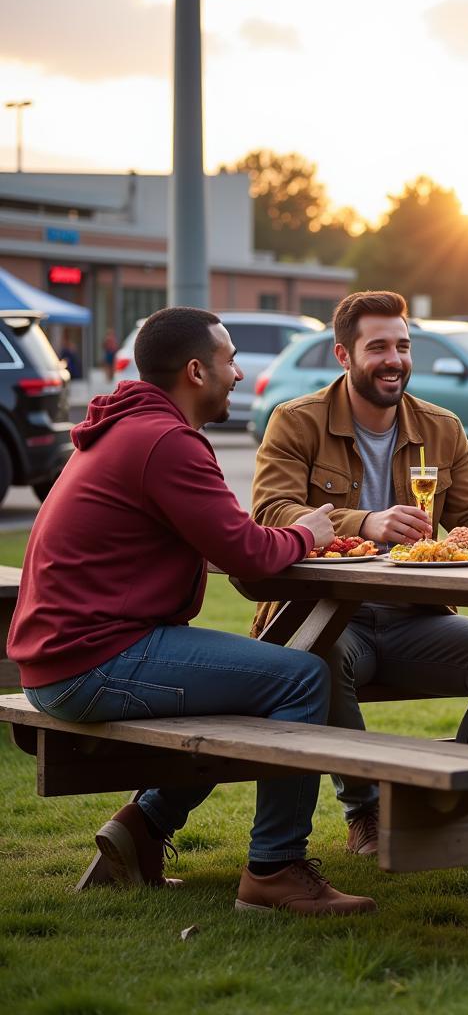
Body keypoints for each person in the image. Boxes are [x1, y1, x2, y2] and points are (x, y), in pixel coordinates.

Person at [8, 306, 376, 917]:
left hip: (65, 654)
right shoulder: (165, 441)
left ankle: (144, 828)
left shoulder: (132, 429)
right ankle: (274, 871)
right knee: (301, 676)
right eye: (230, 361)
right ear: (197, 370)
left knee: (255, 683)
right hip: (91, 660)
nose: (238, 374)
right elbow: (248, 554)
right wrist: (313, 531)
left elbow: (214, 538)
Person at [250, 290, 468, 857]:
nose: (395, 359)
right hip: (331, 617)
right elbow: (271, 512)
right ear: (343, 354)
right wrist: (366, 521)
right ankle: (367, 811)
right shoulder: (296, 421)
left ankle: (458, 807)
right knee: (314, 659)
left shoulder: (441, 426)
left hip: (415, 616)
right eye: (378, 346)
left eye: (403, 346)